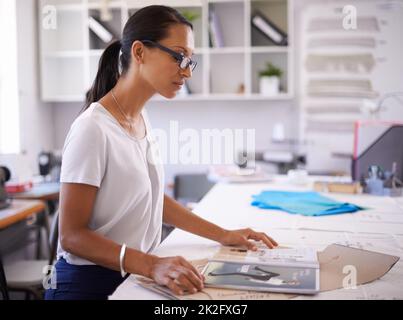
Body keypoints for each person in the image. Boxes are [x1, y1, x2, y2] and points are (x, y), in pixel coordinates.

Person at [45, 5, 278, 300]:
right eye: (179, 56)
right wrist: (152, 264)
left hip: (131, 274)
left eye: (190, 61)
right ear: (140, 52)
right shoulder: (92, 129)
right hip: (88, 285)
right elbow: (71, 236)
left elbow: (154, 200)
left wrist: (224, 235)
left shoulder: (140, 120)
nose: (186, 71)